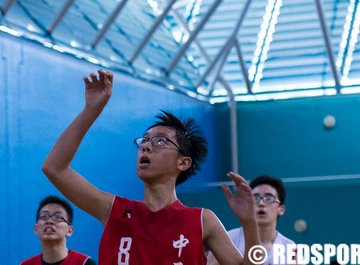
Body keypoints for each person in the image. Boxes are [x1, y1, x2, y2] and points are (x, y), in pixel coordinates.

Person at [42, 69, 260, 265]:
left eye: (160, 141)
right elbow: (54, 168)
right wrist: (91, 109)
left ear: (183, 162)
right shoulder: (114, 211)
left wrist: (249, 223)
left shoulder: (203, 221)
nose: (146, 146)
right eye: (144, 141)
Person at [208, 176, 297, 265]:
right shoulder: (228, 239)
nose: (261, 203)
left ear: (281, 209)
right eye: (256, 198)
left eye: (269, 199)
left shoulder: (290, 248)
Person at [20, 195, 96, 265]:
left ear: (69, 230)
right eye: (44, 216)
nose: (49, 221)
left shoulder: (84, 263)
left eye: (58, 217)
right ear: (36, 229)